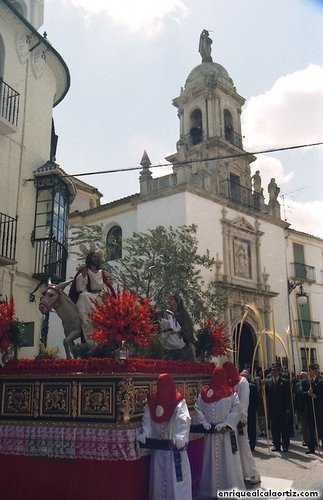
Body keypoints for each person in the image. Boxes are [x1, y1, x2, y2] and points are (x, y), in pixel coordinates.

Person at [137, 373, 192, 500]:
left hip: (174, 450)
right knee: (158, 482)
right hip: (158, 452)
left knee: (176, 485)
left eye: (164, 385)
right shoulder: (153, 401)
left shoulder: (178, 401)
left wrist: (181, 436)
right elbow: (147, 419)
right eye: (159, 385)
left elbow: (183, 418)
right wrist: (145, 433)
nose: (161, 388)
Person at [194, 366, 245, 498]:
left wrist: (226, 424)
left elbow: (237, 410)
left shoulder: (231, 393)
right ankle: (210, 490)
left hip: (225, 435)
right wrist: (203, 421)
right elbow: (197, 407)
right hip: (210, 434)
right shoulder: (205, 393)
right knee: (209, 461)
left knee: (227, 462)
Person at [223, 361, 261, 485]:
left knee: (244, 446)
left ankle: (253, 473)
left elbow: (244, 402)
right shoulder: (226, 382)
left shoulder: (242, 382)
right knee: (235, 449)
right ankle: (241, 473)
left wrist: (242, 418)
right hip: (230, 420)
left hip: (239, 421)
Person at [68, 252, 116, 339]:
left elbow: (106, 285)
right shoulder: (85, 271)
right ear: (89, 259)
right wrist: (83, 275)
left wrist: (107, 293)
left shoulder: (101, 272)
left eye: (97, 257)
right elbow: (79, 288)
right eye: (94, 257)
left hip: (100, 295)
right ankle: (88, 323)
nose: (96, 258)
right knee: (83, 296)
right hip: (90, 295)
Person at [265, 364, 291, 452]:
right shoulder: (268, 382)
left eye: (275, 370)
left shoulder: (285, 381)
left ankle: (285, 445)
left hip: (282, 409)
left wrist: (288, 408)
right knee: (274, 428)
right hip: (273, 409)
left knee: (284, 428)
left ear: (278, 371)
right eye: (272, 370)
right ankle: (276, 445)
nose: (273, 372)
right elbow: (266, 395)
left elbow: (288, 396)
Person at [168, 295, 196, 362]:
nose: (169, 301)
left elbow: (187, 327)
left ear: (176, 302)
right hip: (170, 340)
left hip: (183, 341)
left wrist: (178, 331)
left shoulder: (183, 314)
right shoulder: (169, 313)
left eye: (171, 299)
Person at [303, 363, 323, 454]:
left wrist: (316, 396)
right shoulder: (306, 382)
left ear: (314, 371)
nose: (309, 372)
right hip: (309, 409)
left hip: (319, 409)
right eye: (308, 371)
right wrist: (307, 393)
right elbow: (300, 394)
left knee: (320, 428)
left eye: (310, 370)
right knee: (310, 429)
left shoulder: (321, 381)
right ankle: (311, 448)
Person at [241, 370, 258, 451]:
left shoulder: (252, 386)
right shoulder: (239, 385)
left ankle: (252, 445)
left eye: (245, 375)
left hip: (250, 410)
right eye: (242, 375)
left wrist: (254, 409)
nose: (243, 376)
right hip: (242, 411)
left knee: (251, 428)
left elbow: (256, 399)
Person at [294, 371, 309, 447]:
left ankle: (314, 440)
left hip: (308, 407)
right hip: (301, 408)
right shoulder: (297, 385)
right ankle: (306, 440)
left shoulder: (309, 383)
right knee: (304, 425)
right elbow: (296, 396)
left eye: (302, 376)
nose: (301, 377)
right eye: (300, 376)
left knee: (310, 425)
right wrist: (295, 407)